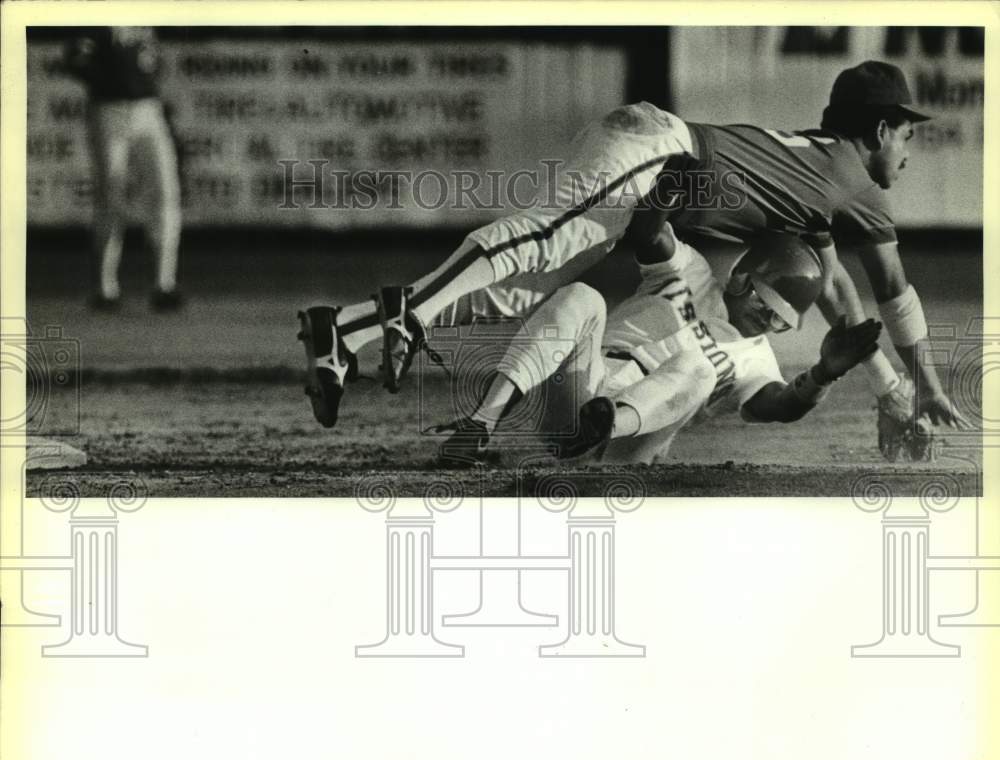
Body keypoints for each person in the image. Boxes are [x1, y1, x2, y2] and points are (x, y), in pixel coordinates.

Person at [298, 61, 961, 456]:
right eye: (905, 133)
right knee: (540, 238)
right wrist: (923, 387)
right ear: (878, 130)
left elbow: (841, 299)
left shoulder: (817, 183)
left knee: (521, 288)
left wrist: (893, 390)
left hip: (653, 157)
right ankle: (409, 317)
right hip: (661, 151)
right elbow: (892, 295)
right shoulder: (853, 181)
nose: (906, 149)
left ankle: (346, 333)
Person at [433, 228, 881, 467]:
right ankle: (481, 423)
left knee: (700, 369)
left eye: (782, 319)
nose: (769, 320)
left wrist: (824, 374)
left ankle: (606, 426)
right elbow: (651, 233)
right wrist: (661, 178)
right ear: (743, 278)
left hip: (629, 445)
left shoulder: (758, 359)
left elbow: (779, 405)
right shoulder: (692, 273)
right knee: (583, 297)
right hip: (580, 392)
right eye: (767, 304)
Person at [63, 27, 183, 311]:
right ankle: (105, 289)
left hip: (148, 107)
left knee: (166, 192)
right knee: (111, 196)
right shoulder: (93, 17)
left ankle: (164, 285)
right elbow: (75, 59)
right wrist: (111, 79)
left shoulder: (143, 17)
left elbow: (153, 59)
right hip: (108, 108)